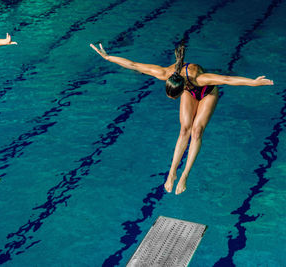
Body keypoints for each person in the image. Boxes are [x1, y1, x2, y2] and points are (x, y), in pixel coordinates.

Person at [90, 41, 274, 195]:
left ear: (181, 88)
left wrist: (253, 82)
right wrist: (108, 57)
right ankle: (172, 173)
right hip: (189, 90)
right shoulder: (164, 74)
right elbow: (135, 65)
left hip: (207, 92)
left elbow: (227, 79)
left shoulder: (201, 78)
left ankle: (185, 174)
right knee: (184, 129)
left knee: (196, 130)